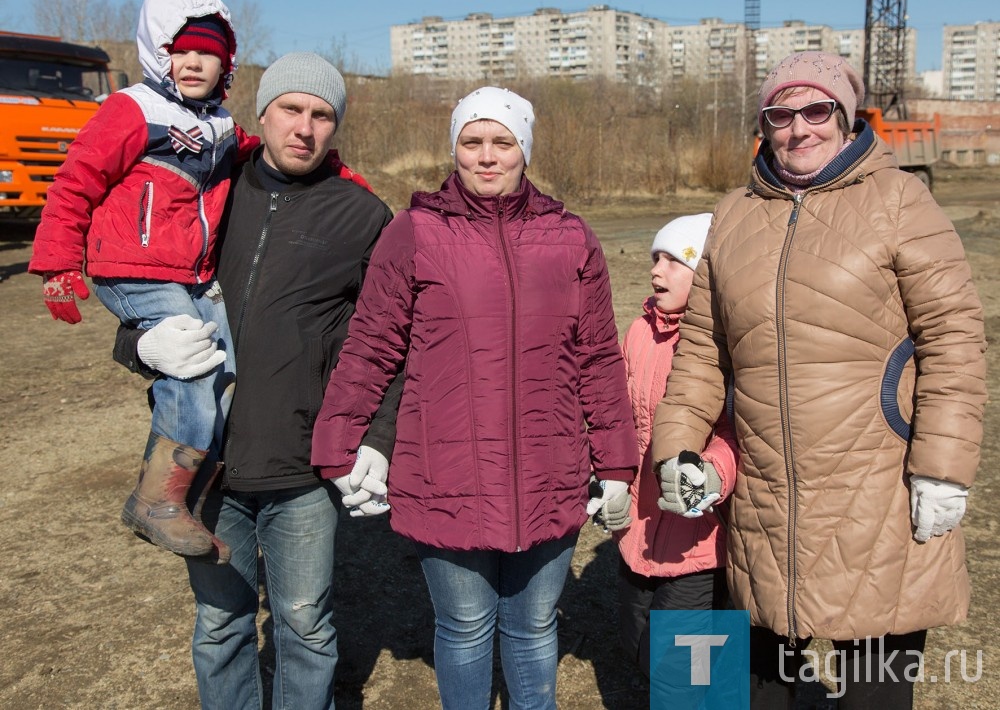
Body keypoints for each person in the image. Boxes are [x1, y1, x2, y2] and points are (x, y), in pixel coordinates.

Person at [650, 51, 987, 708]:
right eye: (782, 113)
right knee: (764, 691)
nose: (799, 128)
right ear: (765, 124)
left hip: (879, 498)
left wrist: (943, 467)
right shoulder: (737, 214)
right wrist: (675, 449)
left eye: (816, 110)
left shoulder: (900, 202)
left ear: (845, 116)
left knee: (873, 694)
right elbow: (700, 354)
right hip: (768, 505)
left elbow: (953, 340)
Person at [311, 86, 639, 710]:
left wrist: (617, 464)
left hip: (549, 470)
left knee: (534, 625)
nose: (487, 157)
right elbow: (371, 346)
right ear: (455, 150)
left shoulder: (571, 238)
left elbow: (598, 357)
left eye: (502, 142)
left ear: (524, 151)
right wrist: (337, 446)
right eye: (472, 142)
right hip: (447, 473)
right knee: (464, 629)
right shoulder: (414, 232)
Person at [114, 52, 399, 710]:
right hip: (204, 462)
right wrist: (139, 344)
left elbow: (390, 345)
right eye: (291, 109)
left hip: (302, 466)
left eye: (322, 115)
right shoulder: (207, 191)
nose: (305, 127)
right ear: (262, 114)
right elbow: (140, 286)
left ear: (335, 127)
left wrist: (376, 440)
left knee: (303, 622)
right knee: (220, 627)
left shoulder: (363, 217)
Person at [28, 0, 252, 560]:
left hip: (193, 274)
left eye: (211, 53)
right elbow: (76, 180)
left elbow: (262, 155)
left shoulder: (222, 123)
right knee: (192, 368)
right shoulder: (133, 109)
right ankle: (155, 500)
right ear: (161, 54)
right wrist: (57, 263)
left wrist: (329, 171)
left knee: (229, 376)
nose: (197, 63)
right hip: (134, 268)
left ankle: (194, 486)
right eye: (185, 51)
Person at [597, 213, 738, 681]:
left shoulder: (726, 346)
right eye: (655, 259)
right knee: (638, 649)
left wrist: (714, 472)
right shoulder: (639, 332)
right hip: (636, 531)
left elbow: (740, 433)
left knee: (686, 672)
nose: (656, 271)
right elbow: (616, 416)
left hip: (699, 544)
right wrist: (607, 481)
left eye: (674, 261)